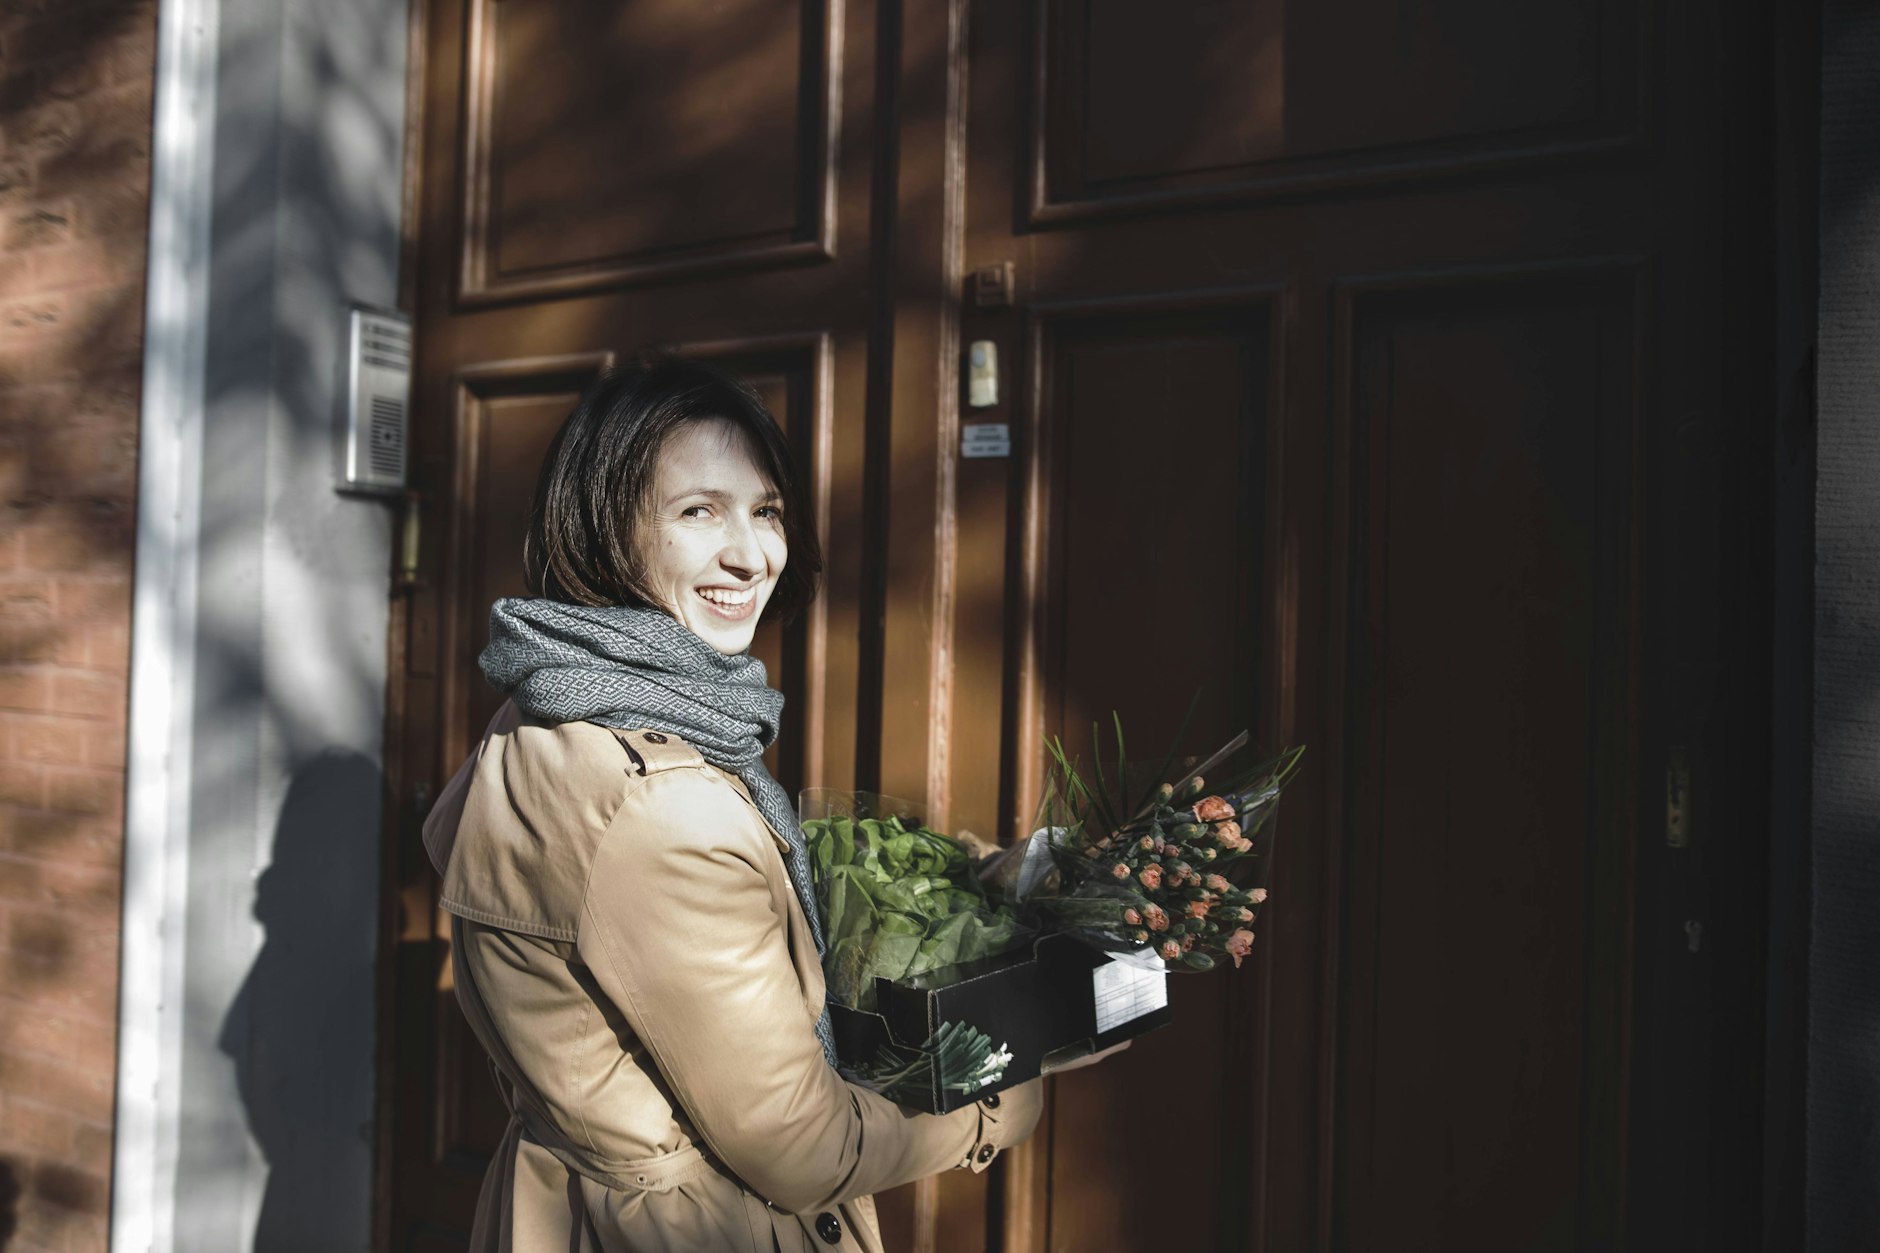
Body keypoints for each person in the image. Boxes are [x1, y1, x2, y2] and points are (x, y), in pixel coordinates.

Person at [421, 355, 1117, 1252]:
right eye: (697, 511)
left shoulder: (551, 702)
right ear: (599, 529)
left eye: (766, 510)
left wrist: (987, 881)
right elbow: (802, 1144)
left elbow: (710, 928)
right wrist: (1005, 1095)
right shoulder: (660, 803)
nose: (751, 555)